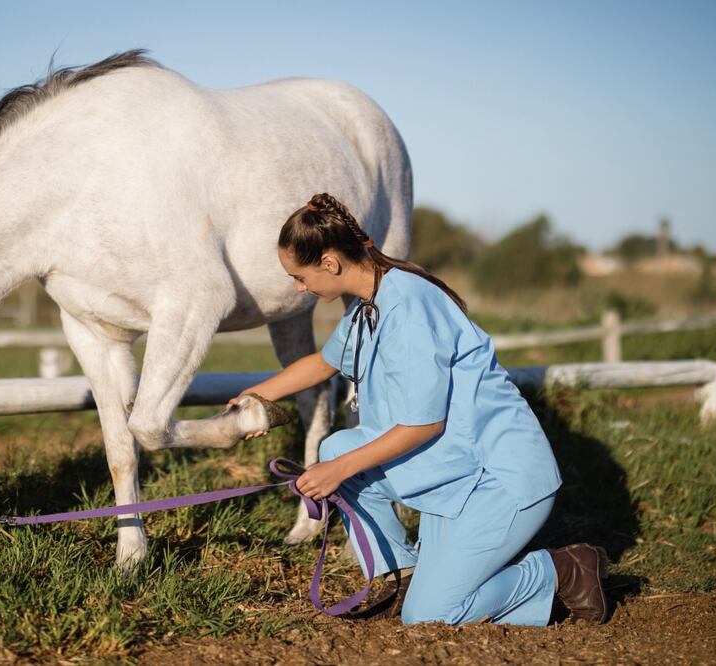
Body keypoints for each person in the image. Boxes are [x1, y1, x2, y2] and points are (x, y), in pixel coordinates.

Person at [229, 193, 608, 625]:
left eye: (299, 276)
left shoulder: (408, 309)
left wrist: (337, 472)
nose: (299, 288)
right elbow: (324, 363)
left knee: (430, 616)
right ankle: (402, 577)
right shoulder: (369, 303)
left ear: (330, 263)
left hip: (499, 480)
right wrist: (255, 397)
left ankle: (560, 570)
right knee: (336, 451)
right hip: (454, 467)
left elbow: (423, 425)